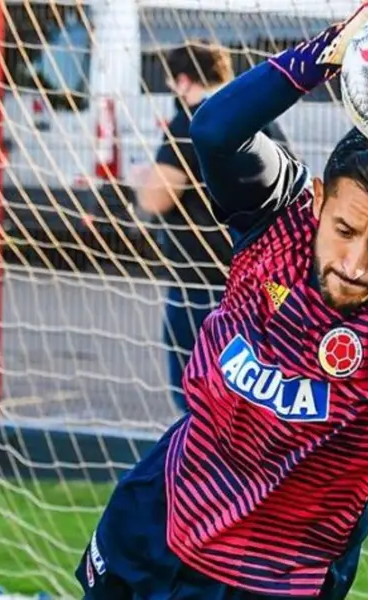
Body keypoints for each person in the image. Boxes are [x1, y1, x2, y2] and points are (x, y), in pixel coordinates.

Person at [77, 0, 368, 597]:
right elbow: (214, 129)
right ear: (317, 201)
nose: (353, 262)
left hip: (272, 579)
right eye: (343, 230)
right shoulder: (277, 223)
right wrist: (332, 48)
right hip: (156, 519)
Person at [133, 40, 294, 415]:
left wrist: (142, 180)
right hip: (263, 283)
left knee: (197, 397)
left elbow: (156, 198)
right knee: (256, 397)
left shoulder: (192, 122)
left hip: (201, 284)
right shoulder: (261, 120)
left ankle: (206, 468)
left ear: (184, 81)